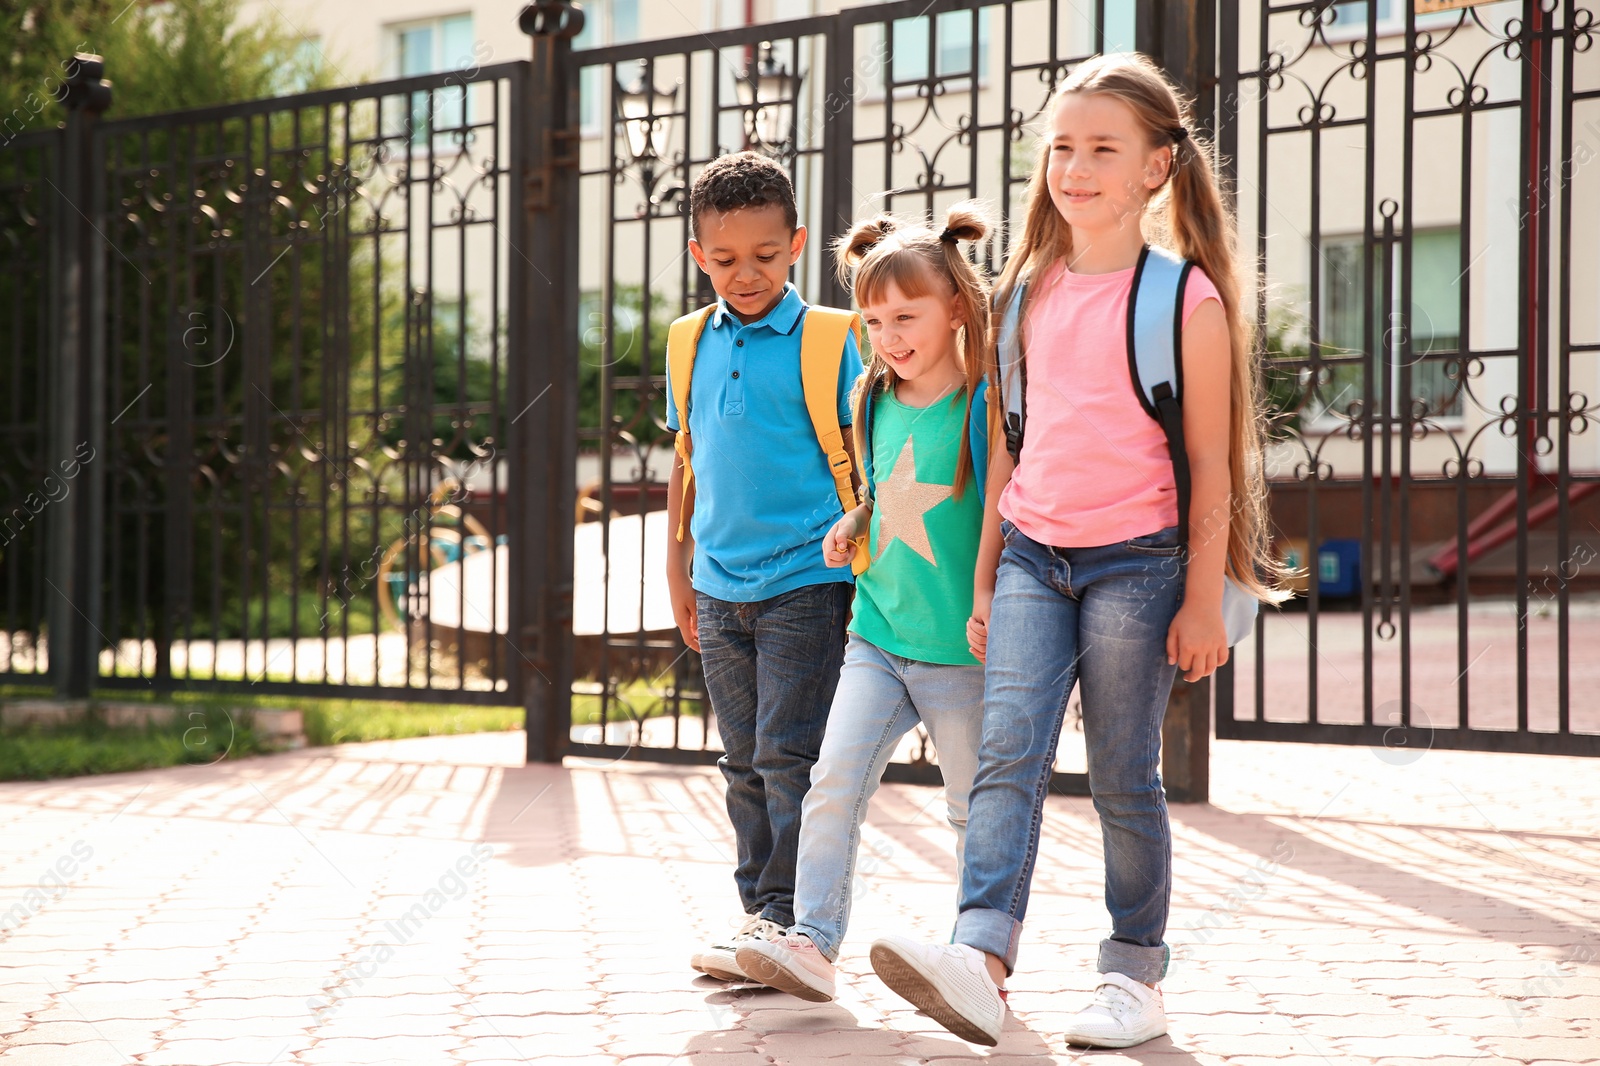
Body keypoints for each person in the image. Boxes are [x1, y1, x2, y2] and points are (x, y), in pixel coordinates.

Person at [868, 53, 1293, 1048]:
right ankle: (979, 957)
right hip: (1031, 560)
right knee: (1006, 752)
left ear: (1156, 167)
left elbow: (1208, 466)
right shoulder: (1020, 297)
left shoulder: (1181, 299)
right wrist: (984, 576)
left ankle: (1132, 975)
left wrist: (1199, 599)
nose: (1075, 166)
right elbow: (1006, 447)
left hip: (1137, 565)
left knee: (1119, 772)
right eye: (1061, 146)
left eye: (1102, 147)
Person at [734, 204, 997, 1002]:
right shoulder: (874, 398)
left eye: (907, 317)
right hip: (876, 637)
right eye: (875, 320)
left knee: (968, 808)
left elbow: (999, 512)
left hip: (959, 652)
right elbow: (886, 492)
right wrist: (855, 521)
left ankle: (974, 959)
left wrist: (987, 597)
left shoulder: (983, 405)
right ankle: (814, 940)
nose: (889, 336)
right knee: (833, 782)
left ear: (957, 307)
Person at [665, 151, 865, 982]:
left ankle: (791, 922)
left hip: (807, 584)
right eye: (724, 259)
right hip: (718, 587)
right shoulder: (685, 342)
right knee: (741, 763)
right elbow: (687, 463)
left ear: (797, 245)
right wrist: (678, 574)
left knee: (790, 757)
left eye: (765, 256)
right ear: (697, 256)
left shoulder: (833, 338)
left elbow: (869, 452)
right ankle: (756, 917)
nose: (745, 275)